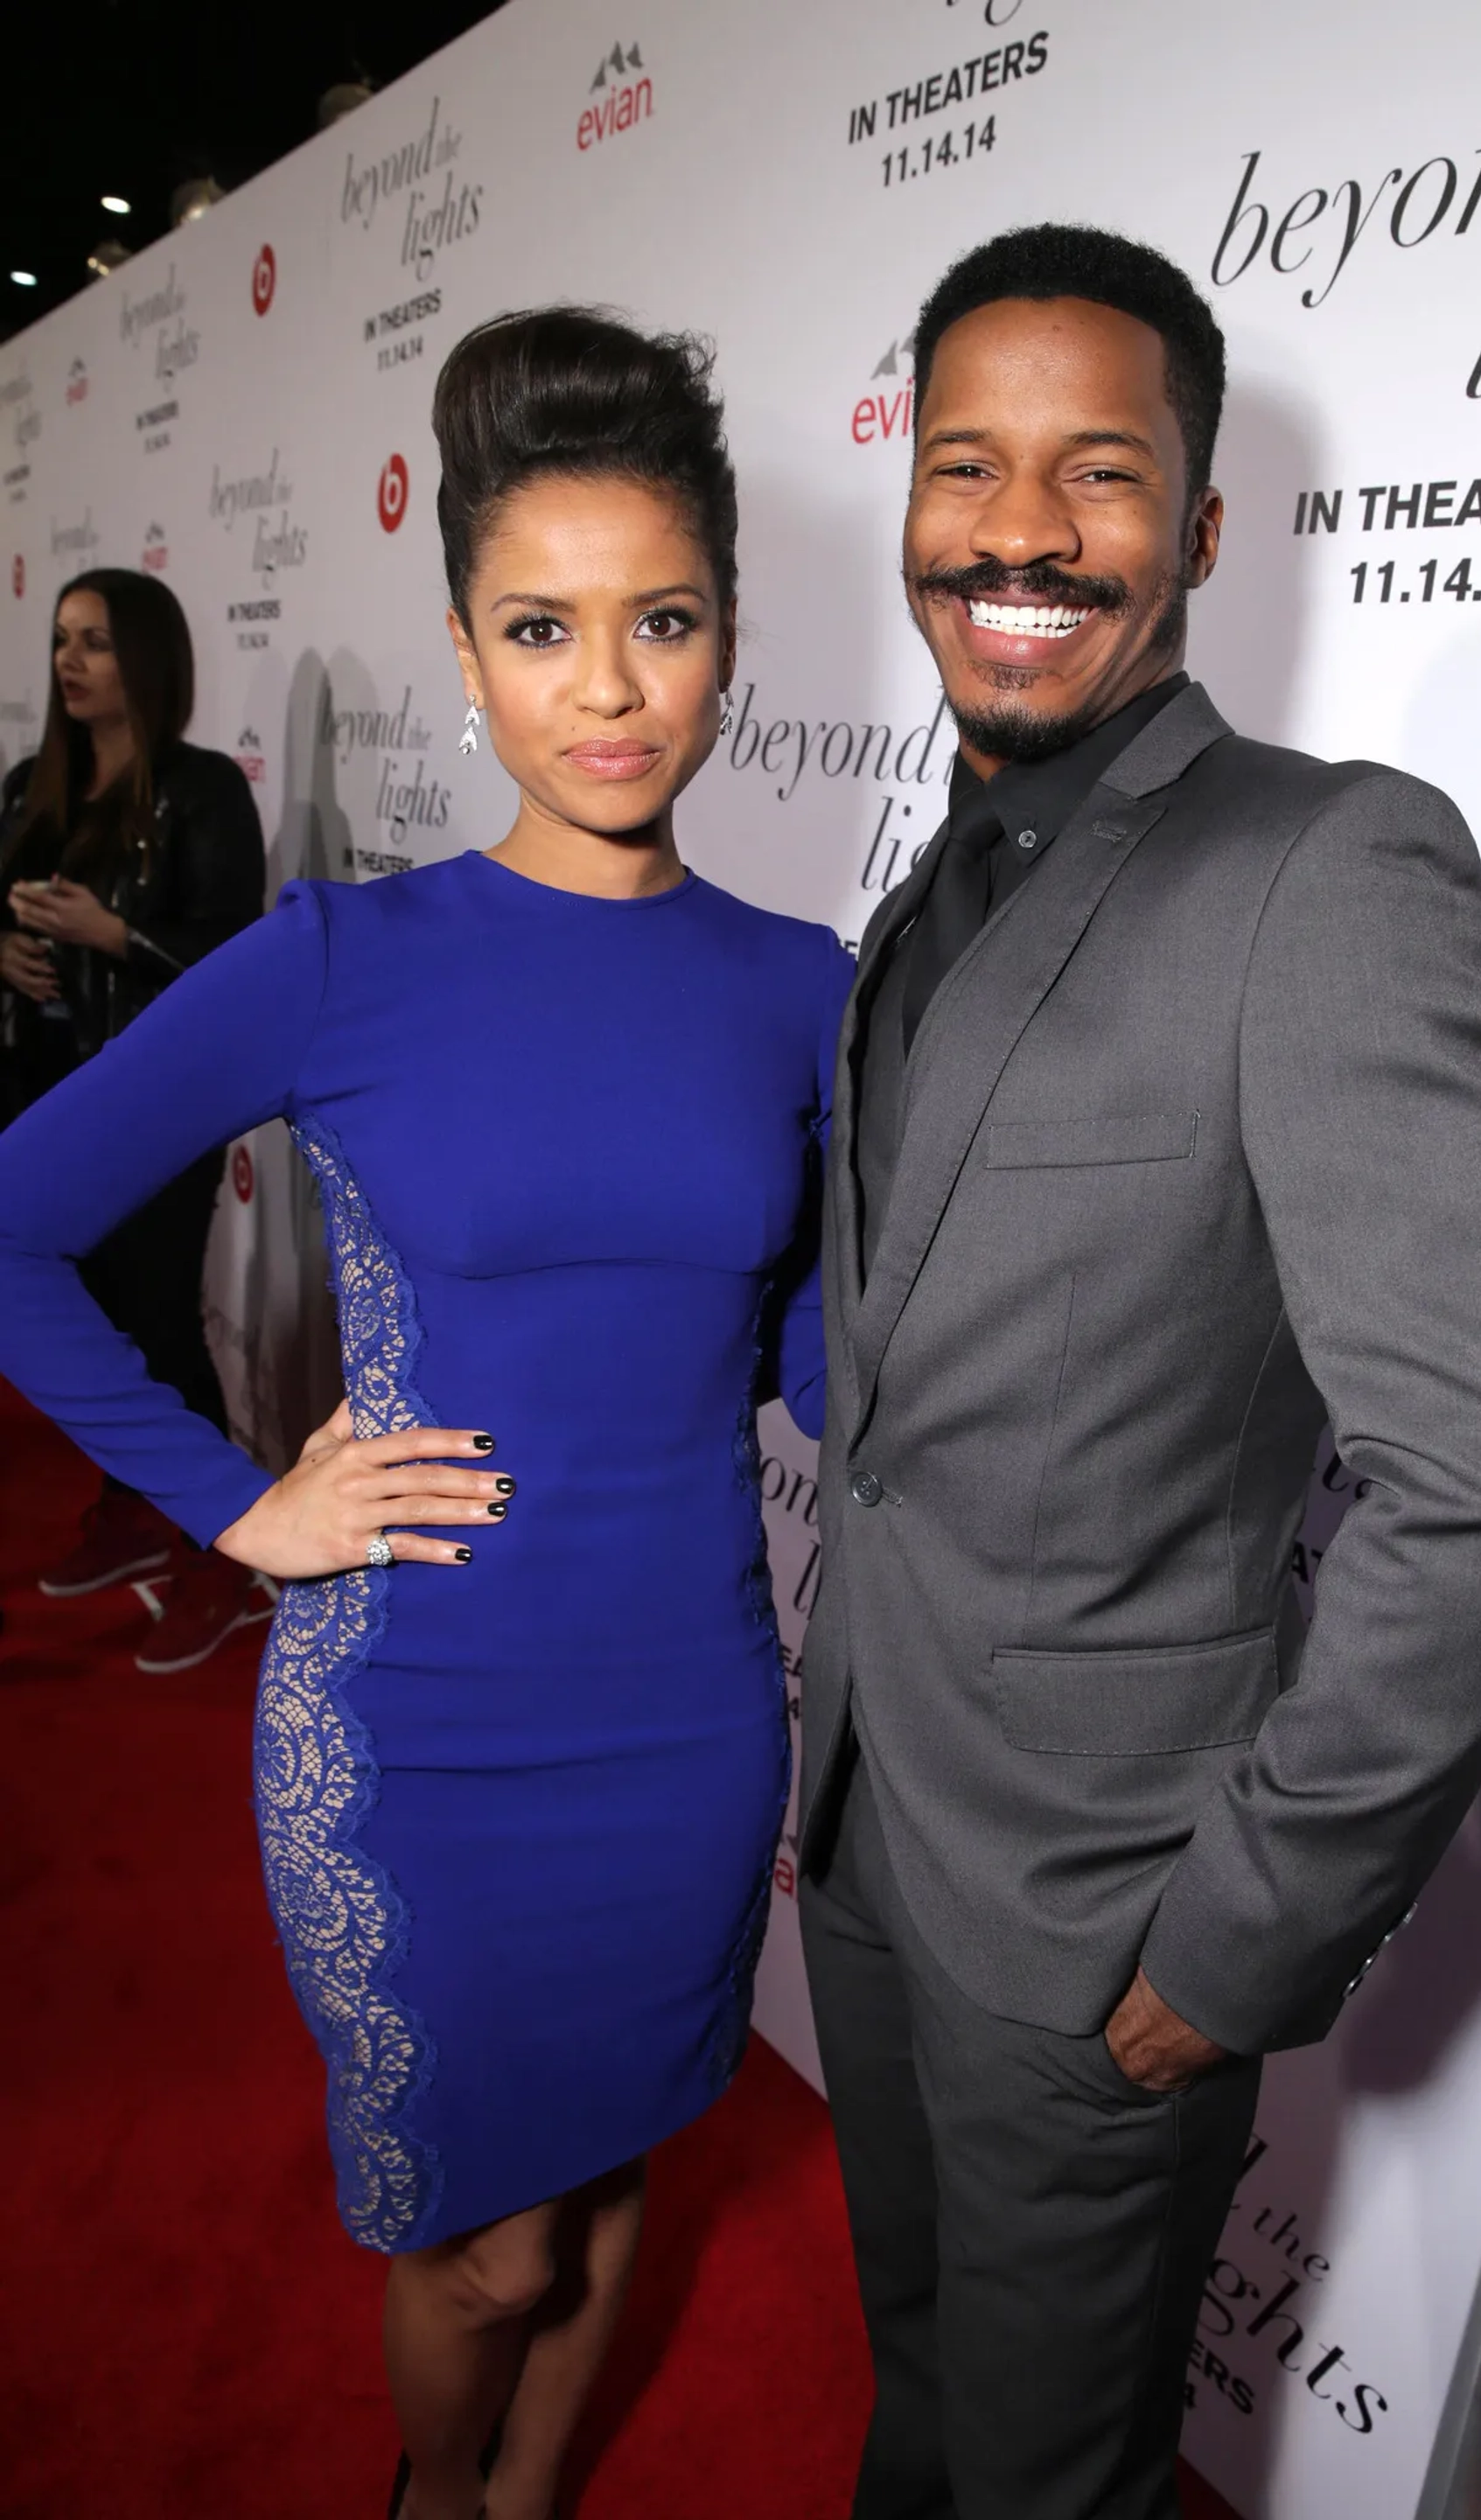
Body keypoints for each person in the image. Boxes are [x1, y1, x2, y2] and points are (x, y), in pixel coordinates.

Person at [0, 306, 852, 2520]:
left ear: (729, 638)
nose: (607, 685)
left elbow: (789, 1340)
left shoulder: (803, 987)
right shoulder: (339, 957)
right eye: (542, 626)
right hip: (417, 1724)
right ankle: (431, 2494)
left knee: (611, 2184)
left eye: (659, 622)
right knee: (482, 2240)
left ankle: (525, 2508)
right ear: (466, 651)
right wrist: (232, 1503)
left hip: (683, 1715)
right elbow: (15, 1225)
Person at [796, 222, 1481, 2520]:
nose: (1023, 532)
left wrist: (1235, 1934)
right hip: (871, 1837)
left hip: (1100, 1929)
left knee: (1053, 2483)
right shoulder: (932, 891)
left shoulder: (1326, 869)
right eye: (969, 467)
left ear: (1205, 525)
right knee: (927, 2396)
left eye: (1100, 471)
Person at [0, 568, 268, 1670]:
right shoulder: (33, 781)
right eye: (63, 639)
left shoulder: (202, 790)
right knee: (89, 1319)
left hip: (157, 1099)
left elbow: (236, 960)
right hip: (42, 1082)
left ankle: (225, 1563)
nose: (70, 661)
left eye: (96, 642)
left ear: (146, 659)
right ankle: (131, 1509)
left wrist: (113, 938)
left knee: (158, 1321)